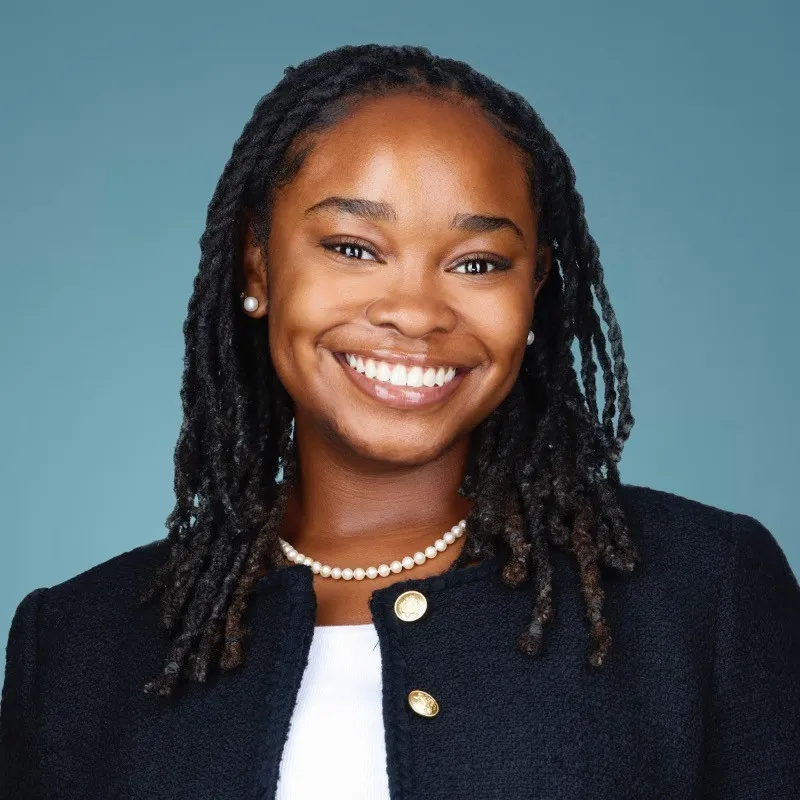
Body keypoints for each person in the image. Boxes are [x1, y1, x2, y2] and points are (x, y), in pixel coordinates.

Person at [1, 42, 799, 800]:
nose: (415, 314)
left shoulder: (700, 595)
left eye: (478, 263)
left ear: (536, 289)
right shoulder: (77, 643)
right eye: (354, 247)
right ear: (258, 261)